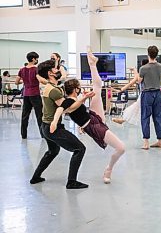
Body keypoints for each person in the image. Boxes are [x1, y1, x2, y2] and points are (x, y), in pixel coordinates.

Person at [50, 50, 125, 184]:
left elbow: (78, 110)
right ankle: (109, 169)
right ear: (76, 89)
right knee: (121, 148)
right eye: (78, 87)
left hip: (93, 116)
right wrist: (54, 122)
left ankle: (92, 64)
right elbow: (60, 109)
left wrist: (84, 100)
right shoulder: (68, 101)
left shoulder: (76, 98)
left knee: (97, 88)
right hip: (93, 126)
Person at [30, 59, 93, 189]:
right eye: (55, 68)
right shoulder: (54, 90)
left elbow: (61, 77)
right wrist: (83, 99)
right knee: (79, 149)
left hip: (45, 126)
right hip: (53, 128)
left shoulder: (49, 86)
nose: (58, 70)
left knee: (53, 151)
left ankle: (35, 177)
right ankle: (71, 182)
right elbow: (66, 108)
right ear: (50, 73)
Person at [113, 60, 161, 130]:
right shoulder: (147, 73)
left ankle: (122, 120)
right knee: (135, 109)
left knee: (135, 109)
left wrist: (122, 89)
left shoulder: (145, 73)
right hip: (146, 96)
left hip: (149, 96)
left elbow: (132, 82)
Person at [138, 45, 161, 150]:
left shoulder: (143, 68)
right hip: (158, 93)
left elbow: (139, 81)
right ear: (157, 54)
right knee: (158, 117)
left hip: (147, 93)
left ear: (148, 54)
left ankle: (146, 142)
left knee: (145, 117)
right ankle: (160, 140)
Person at [15, 51, 43, 139]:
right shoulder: (36, 69)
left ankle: (24, 135)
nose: (37, 60)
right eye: (36, 58)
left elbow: (16, 82)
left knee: (25, 115)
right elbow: (40, 80)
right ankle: (43, 134)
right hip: (35, 94)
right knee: (39, 115)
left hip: (26, 94)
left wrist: (24, 81)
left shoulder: (22, 70)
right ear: (33, 59)